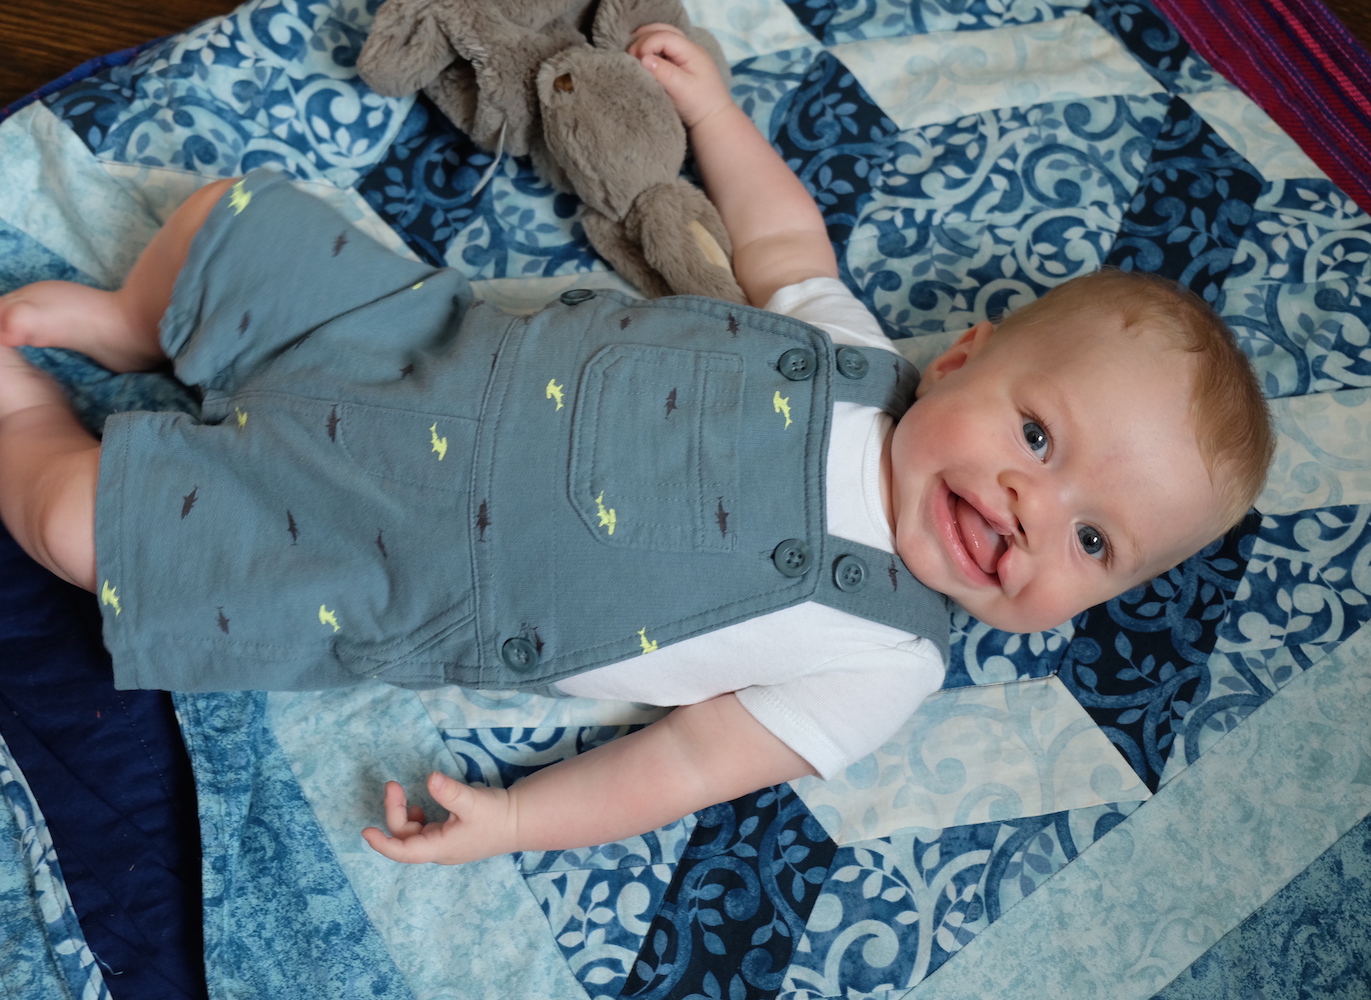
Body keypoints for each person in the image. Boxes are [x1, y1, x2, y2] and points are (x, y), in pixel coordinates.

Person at [0, 25, 1273, 865]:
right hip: (418, 341)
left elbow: (687, 762)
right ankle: (137, 324)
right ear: (960, 360)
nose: (1030, 503)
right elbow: (783, 239)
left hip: (387, 555)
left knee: (77, 525)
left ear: (1088, 601)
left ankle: (25, 422)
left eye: (1093, 540)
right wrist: (715, 115)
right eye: (1038, 434)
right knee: (230, 219)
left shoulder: (883, 661)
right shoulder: (852, 353)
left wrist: (517, 820)